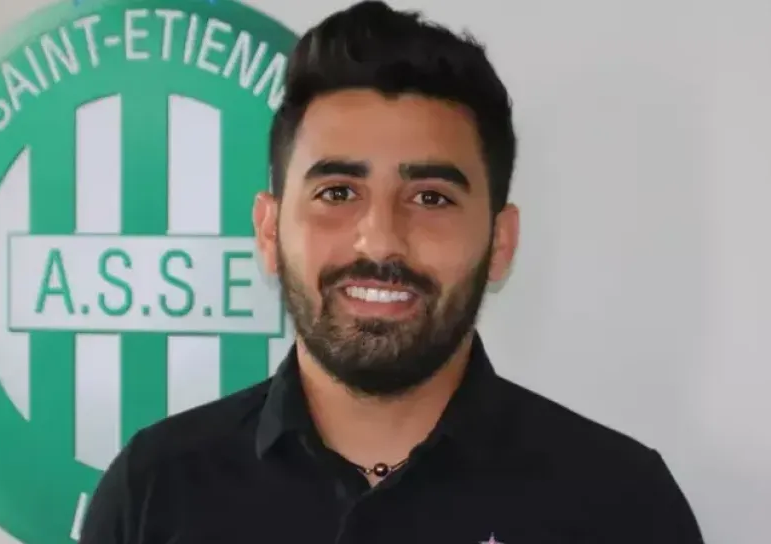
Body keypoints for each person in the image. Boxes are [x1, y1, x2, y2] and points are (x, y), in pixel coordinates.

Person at [79, 1, 706, 542]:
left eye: (431, 197)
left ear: (500, 242)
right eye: (337, 193)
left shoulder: (621, 505)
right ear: (269, 231)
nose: (380, 239)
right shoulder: (154, 491)